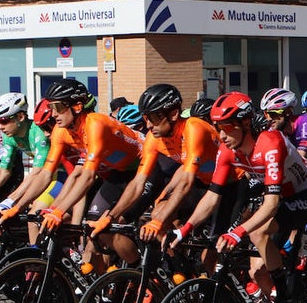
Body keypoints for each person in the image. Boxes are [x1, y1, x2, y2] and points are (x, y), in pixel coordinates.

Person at [176, 92, 307, 303]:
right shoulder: (227, 150)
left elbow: (272, 204)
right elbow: (212, 197)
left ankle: (285, 297)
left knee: (257, 232)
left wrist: (237, 232)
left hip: (305, 193)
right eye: (217, 128)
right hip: (275, 195)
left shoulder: (270, 143)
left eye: (226, 128)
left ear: (244, 124)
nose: (220, 136)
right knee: (256, 269)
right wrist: (184, 230)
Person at [8, 79, 144, 269]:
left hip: (143, 169)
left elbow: (88, 177)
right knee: (95, 225)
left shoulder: (95, 124)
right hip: (117, 173)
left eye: (58, 107)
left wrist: (59, 211)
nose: (53, 114)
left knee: (115, 223)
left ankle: (145, 274)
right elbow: (46, 175)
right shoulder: (61, 131)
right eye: (51, 107)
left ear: (77, 106)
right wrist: (17, 205)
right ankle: (109, 283)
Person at [88, 83, 220, 247]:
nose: (149, 125)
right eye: (145, 118)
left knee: (211, 254)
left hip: (228, 183)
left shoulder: (193, 128)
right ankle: (177, 269)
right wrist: (110, 217)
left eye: (154, 118)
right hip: (201, 182)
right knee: (157, 214)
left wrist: (160, 220)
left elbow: (186, 180)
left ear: (173, 114)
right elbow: (138, 183)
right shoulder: (154, 138)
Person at [0, 93, 33, 210]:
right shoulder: (9, 137)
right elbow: (3, 171)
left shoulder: (38, 133)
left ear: (20, 117)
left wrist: (12, 200)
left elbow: (41, 173)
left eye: (3, 121)